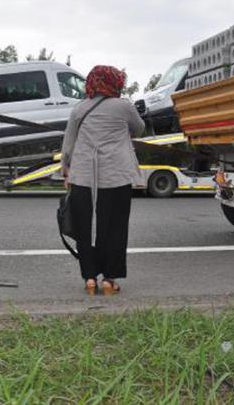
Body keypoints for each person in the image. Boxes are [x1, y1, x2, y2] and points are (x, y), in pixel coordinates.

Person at [60, 65, 145, 295]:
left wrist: (65, 171)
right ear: (115, 83)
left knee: (85, 229)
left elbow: (68, 146)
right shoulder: (124, 107)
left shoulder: (79, 109)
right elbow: (139, 129)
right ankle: (109, 280)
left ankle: (89, 279)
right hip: (116, 178)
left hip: (83, 178)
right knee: (115, 228)